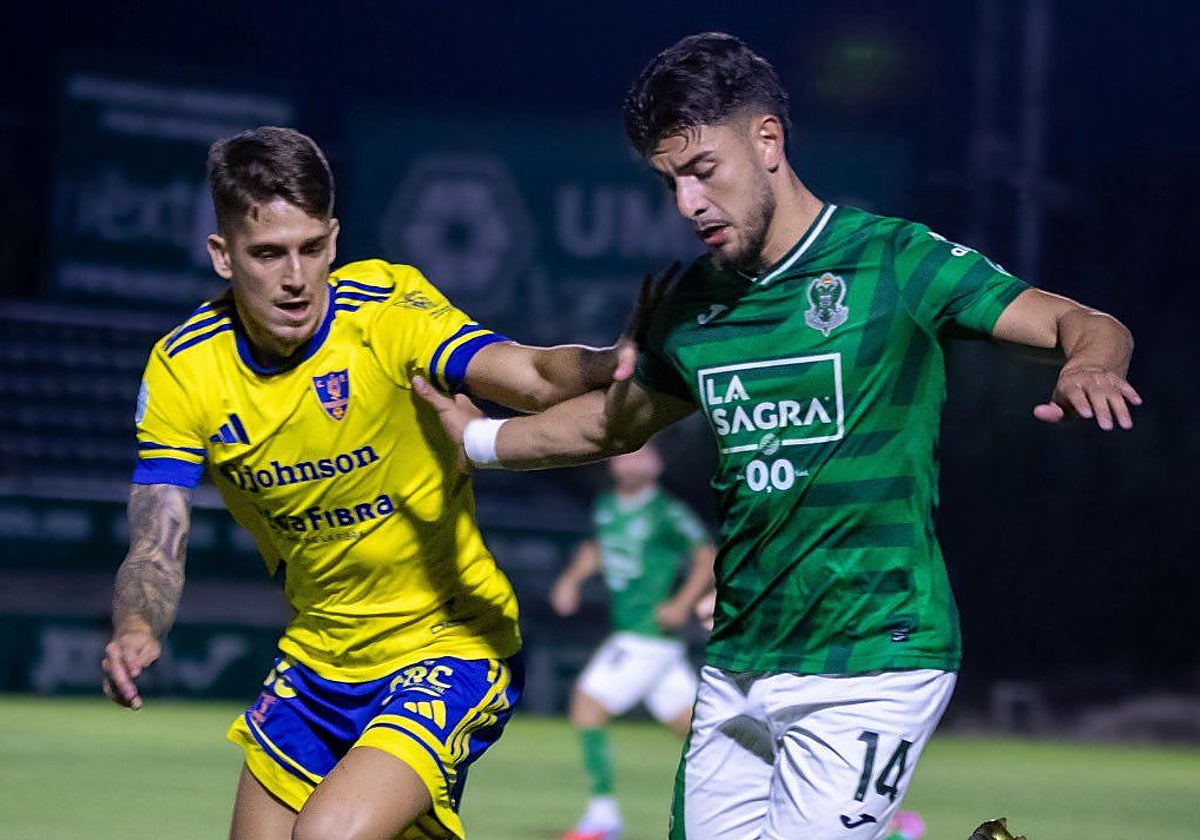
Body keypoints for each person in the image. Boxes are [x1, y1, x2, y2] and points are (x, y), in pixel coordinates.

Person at [413, 32, 1141, 840]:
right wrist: (479, 443)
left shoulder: (893, 260)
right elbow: (615, 423)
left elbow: (1083, 321)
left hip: (875, 653)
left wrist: (1090, 364)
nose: (688, 204)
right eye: (669, 182)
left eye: (702, 170)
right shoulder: (692, 303)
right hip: (739, 660)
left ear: (767, 140)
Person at [100, 125, 636, 840]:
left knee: (326, 835)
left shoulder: (386, 311)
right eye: (268, 254)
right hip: (317, 657)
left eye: (311, 248)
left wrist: (607, 361)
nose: (296, 277)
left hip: (450, 644)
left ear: (333, 238)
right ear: (223, 256)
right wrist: (138, 627)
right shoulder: (184, 368)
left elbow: (532, 375)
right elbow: (156, 539)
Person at [551, 441, 715, 840]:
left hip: (647, 636)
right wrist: (571, 580)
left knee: (586, 706)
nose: (630, 462)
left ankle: (602, 817)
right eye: (625, 454)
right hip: (641, 638)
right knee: (698, 731)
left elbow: (707, 556)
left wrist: (682, 603)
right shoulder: (607, 506)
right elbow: (597, 548)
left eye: (640, 455)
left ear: (657, 464)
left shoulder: (666, 511)